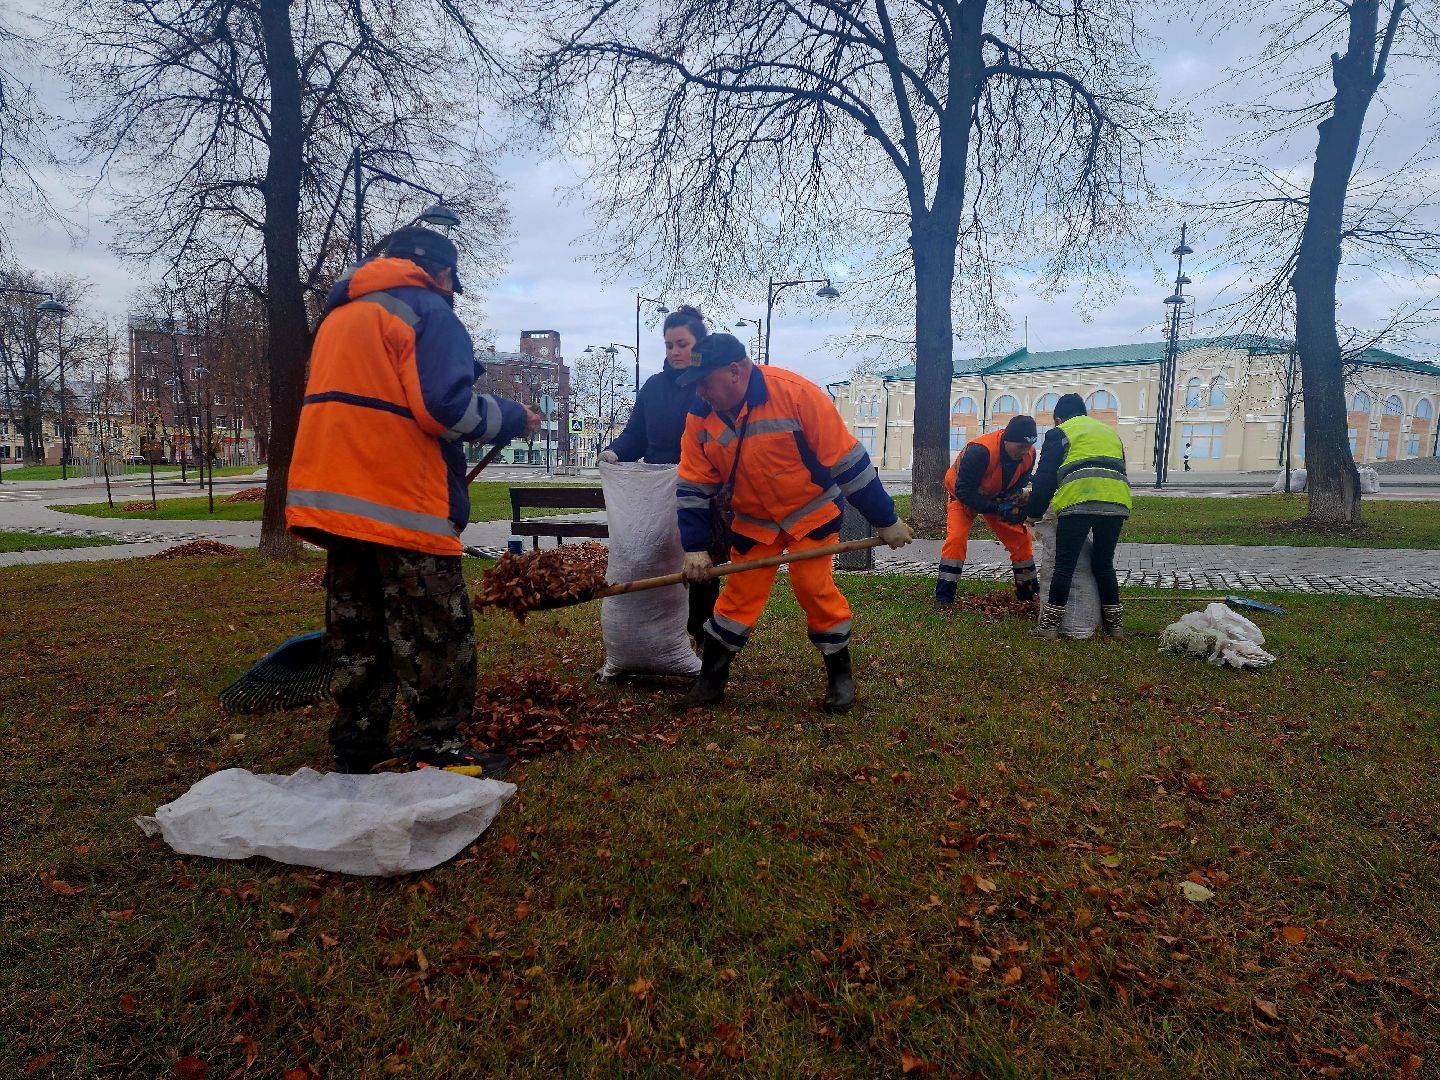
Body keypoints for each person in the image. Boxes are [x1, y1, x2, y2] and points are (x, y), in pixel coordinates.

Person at [287, 226, 542, 773]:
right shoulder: (428, 309)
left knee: (360, 627)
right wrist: (514, 417)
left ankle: (357, 743)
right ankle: (438, 748)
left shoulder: (341, 315)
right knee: (436, 630)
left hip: (336, 500)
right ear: (443, 273)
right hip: (400, 500)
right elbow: (443, 409)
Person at [672, 333, 911, 713]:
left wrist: (886, 520)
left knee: (812, 586)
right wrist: (696, 548)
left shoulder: (798, 395)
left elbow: (848, 463)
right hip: (754, 522)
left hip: (811, 514)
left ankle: (840, 677)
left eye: (704, 381)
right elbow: (693, 488)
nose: (700, 392)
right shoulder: (700, 418)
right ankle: (711, 682)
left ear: (735, 371)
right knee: (737, 597)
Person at [597, 304, 719, 639]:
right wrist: (614, 453)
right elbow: (636, 434)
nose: (676, 351)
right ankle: (660, 632)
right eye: (670, 345)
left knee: (700, 565)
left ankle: (701, 632)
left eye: (683, 344)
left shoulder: (709, 386)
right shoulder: (653, 387)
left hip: (702, 491)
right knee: (658, 558)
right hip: (657, 494)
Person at [1024, 393, 1132, 640]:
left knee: (1065, 564)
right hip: (1116, 501)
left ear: (1058, 418)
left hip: (1079, 500)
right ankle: (1115, 628)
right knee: (1103, 563)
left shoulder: (1060, 432)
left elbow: (1045, 479)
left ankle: (1049, 628)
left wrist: (1033, 513)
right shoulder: (1109, 433)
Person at [935, 415, 1039, 609]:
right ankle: (944, 598)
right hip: (962, 496)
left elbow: (1018, 486)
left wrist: (1013, 505)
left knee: (1021, 538)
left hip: (996, 496)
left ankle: (1028, 596)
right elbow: (965, 491)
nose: (1024, 452)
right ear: (1007, 440)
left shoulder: (1029, 455)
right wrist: (997, 508)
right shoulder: (980, 451)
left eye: (1028, 447)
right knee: (956, 539)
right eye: (1020, 447)